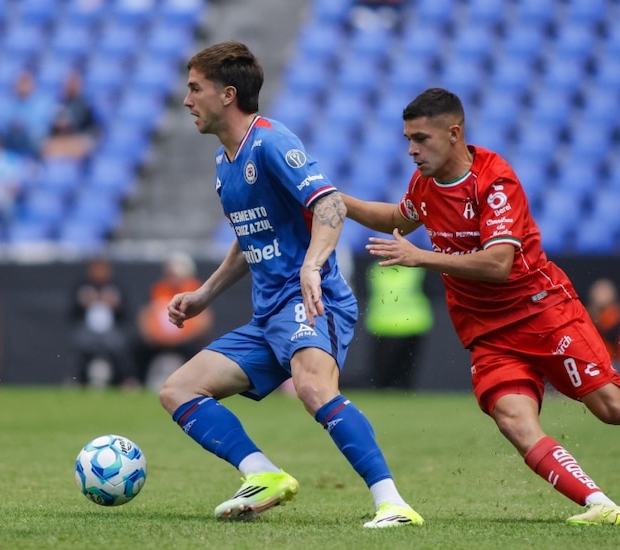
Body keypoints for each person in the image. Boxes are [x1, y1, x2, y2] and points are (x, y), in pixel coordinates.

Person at [341, 87, 620, 526]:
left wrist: (421, 257)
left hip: (541, 312)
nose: (411, 150)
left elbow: (498, 264)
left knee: (616, 410)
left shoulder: (494, 181)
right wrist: (339, 201)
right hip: (487, 332)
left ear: (454, 133)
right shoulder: (425, 185)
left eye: (420, 139)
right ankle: (599, 504)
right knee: (514, 420)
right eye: (408, 139)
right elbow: (397, 217)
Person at [161, 41, 423, 528]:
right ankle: (263, 474)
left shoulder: (271, 142)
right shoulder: (224, 163)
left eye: (195, 88)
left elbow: (330, 204)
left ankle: (393, 504)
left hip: (311, 301)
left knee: (312, 387)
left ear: (227, 94)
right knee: (179, 390)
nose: (186, 99)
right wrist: (203, 294)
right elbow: (249, 240)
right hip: (268, 316)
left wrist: (312, 266)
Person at [134, 252, 213, 388]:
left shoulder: (195, 290)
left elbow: (204, 320)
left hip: (185, 339)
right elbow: (145, 315)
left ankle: (197, 383)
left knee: (197, 350)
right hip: (158, 339)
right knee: (138, 348)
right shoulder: (158, 289)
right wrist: (155, 336)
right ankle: (135, 381)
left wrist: (180, 338)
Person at [363, 260, 433, 390]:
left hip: (410, 326)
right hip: (384, 326)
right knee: (383, 376)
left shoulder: (416, 269)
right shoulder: (375, 269)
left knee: (404, 376)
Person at [70, 256, 136, 388]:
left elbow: (126, 314)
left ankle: (126, 379)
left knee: (120, 347)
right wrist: (83, 303)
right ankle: (76, 380)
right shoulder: (82, 286)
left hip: (110, 330)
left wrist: (115, 305)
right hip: (87, 330)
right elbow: (71, 313)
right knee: (78, 347)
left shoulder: (116, 287)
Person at [42, 71, 100, 160]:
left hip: (78, 139)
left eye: (75, 83)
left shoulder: (87, 105)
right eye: (69, 83)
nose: (72, 86)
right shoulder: (60, 103)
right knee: (47, 146)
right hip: (61, 139)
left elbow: (94, 129)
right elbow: (53, 128)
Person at [586, 278, 620, 376]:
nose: (601, 295)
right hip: (590, 362)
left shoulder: (617, 316)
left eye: (604, 292)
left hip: (614, 364)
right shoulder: (586, 314)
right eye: (599, 292)